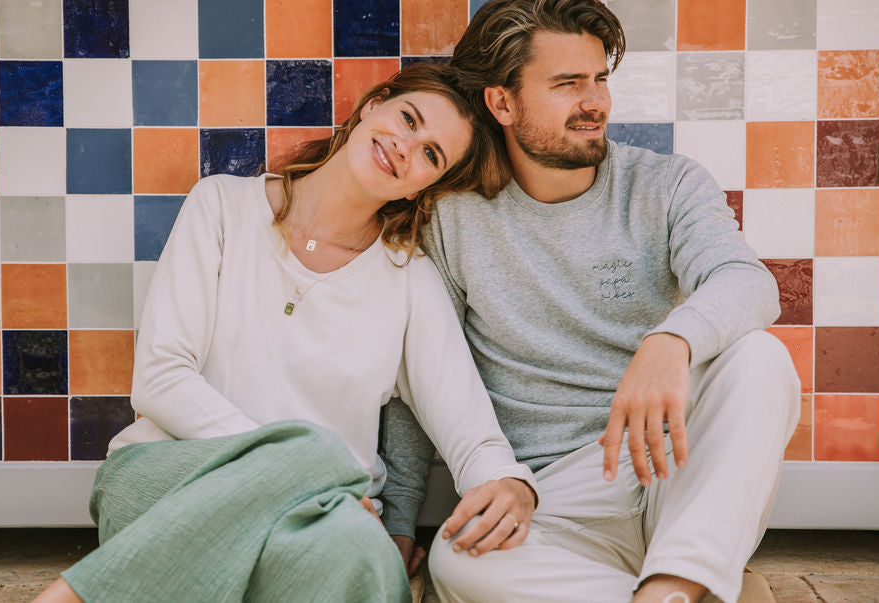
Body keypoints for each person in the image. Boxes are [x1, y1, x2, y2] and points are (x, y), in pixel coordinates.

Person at [33, 63, 538, 603]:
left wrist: (510, 484)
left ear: (426, 187)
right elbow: (160, 380)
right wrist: (308, 468)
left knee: (365, 555)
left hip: (319, 517)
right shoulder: (222, 206)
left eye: (431, 155)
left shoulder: (409, 281)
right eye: (408, 119)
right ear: (372, 105)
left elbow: (470, 432)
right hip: (171, 475)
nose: (405, 147)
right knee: (320, 459)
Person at [380, 0, 801, 603]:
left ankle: (678, 577)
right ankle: (688, 591)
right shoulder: (452, 217)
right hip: (550, 496)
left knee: (760, 357)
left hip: (671, 470)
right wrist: (396, 520)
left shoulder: (666, 184)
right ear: (502, 101)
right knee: (456, 558)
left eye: (600, 79)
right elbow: (423, 374)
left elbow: (747, 282)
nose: (595, 102)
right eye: (567, 84)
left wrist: (671, 340)